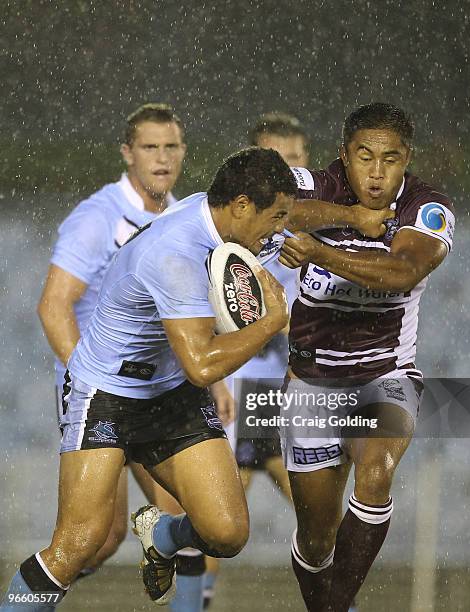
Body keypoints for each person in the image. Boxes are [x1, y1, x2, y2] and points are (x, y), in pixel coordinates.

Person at [0, 147, 296, 612]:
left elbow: (299, 211)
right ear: (241, 206)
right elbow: (201, 365)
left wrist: (360, 217)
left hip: (170, 394)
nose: (278, 229)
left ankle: (161, 533)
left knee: (227, 532)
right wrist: (269, 323)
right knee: (80, 543)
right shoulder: (176, 255)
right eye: (275, 217)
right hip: (107, 395)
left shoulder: (212, 211)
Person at [35, 102, 233, 610]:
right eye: (150, 147)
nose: (162, 158)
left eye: (171, 147)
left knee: (187, 516)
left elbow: (185, 315)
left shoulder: (184, 215)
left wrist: (213, 379)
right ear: (128, 153)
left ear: (184, 151)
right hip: (100, 393)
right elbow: (54, 306)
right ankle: (28, 598)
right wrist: (95, 381)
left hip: (158, 394)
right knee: (94, 542)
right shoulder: (98, 218)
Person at [276, 102, 455, 612]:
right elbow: (270, 203)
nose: (376, 174)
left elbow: (401, 273)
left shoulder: (427, 208)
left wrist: (319, 252)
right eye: (364, 157)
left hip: (386, 374)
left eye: (390, 160)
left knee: (375, 471)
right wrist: (350, 218)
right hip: (311, 381)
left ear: (407, 161)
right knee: (316, 539)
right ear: (343, 155)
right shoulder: (320, 184)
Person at [203, 112, 310, 609]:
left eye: (293, 161)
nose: (286, 172)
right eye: (275, 162)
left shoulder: (314, 239)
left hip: (283, 397)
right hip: (236, 393)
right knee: (216, 529)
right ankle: (194, 600)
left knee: (319, 518)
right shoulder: (232, 236)